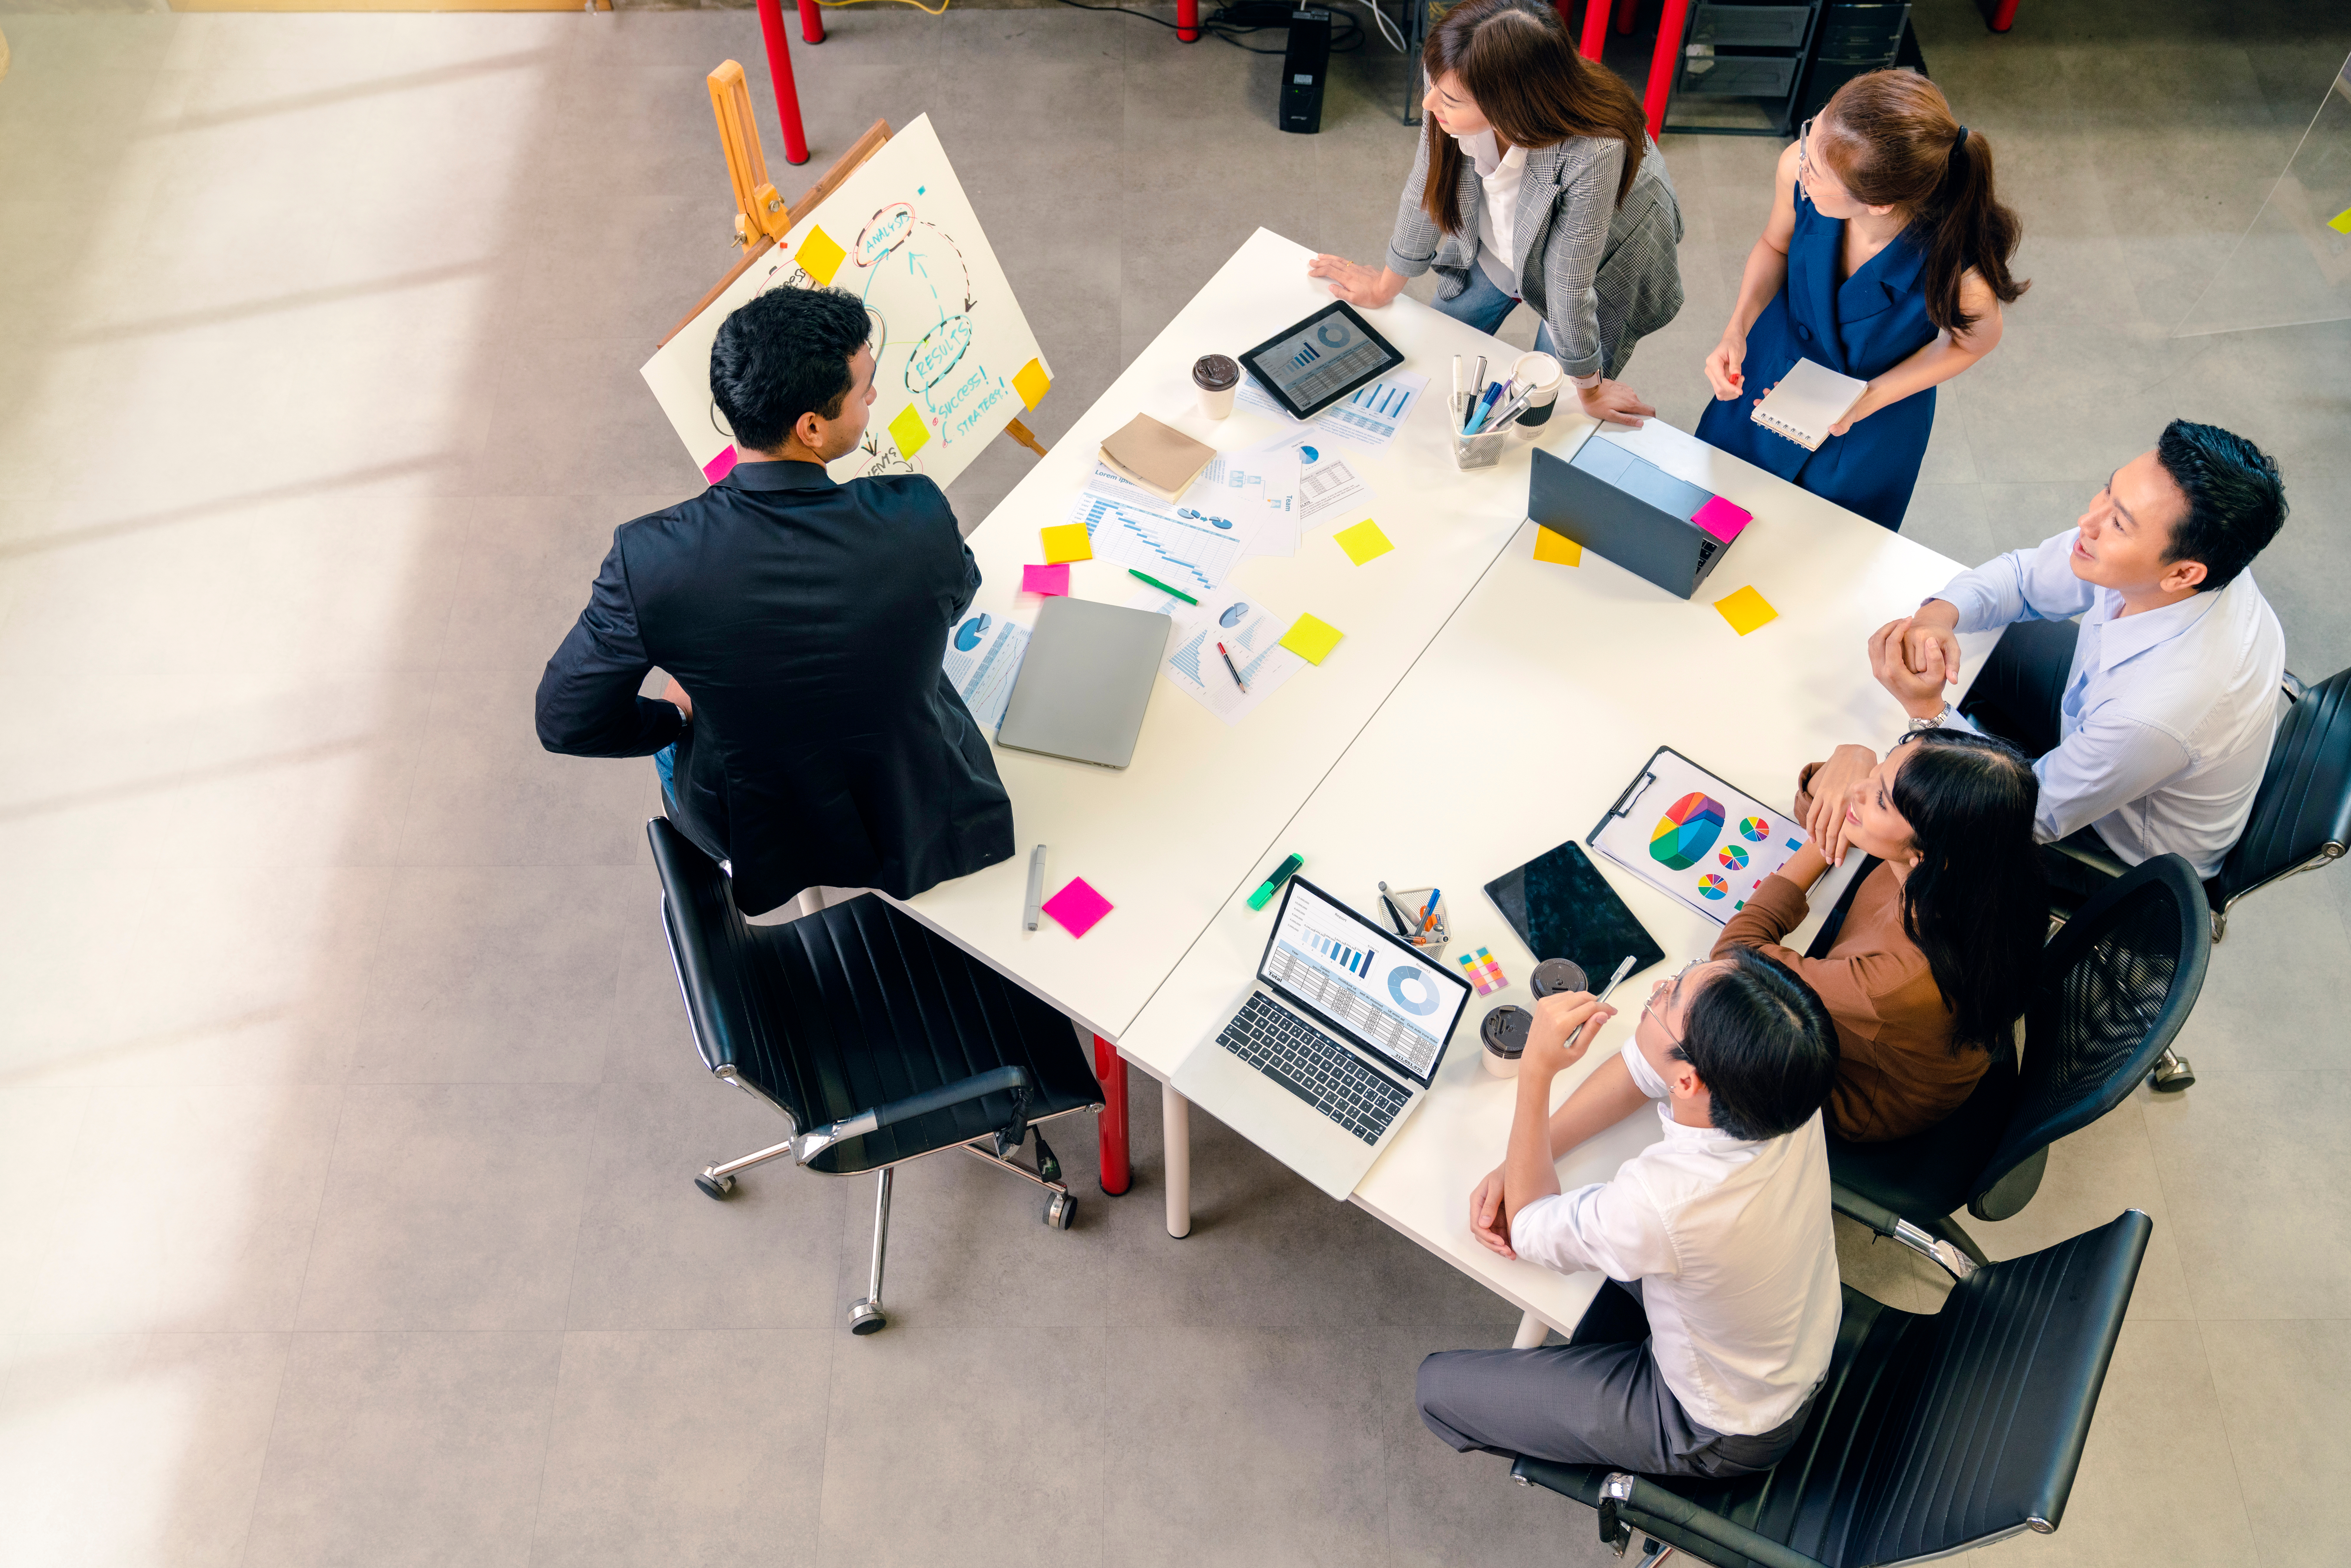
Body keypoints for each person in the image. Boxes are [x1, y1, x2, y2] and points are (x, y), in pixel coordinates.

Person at [535, 285, 1015, 916]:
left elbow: (568, 720)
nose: (873, 397)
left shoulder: (649, 559)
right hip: (913, 807)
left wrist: (674, 718)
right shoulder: (917, 514)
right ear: (811, 427)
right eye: (865, 388)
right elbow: (956, 601)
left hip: (756, 830)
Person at [1419, 950, 1842, 1477]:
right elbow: (1643, 1069)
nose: (1661, 985)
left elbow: (1527, 1226)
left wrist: (1536, 1071)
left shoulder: (1663, 1201)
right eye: (1684, 973)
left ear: (1688, 1083)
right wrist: (1521, 1160)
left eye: (1671, 996)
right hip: (1790, 1337)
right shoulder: (1780, 1078)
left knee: (1437, 1389)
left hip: (1724, 1425)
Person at [1844, 420, 2289, 884]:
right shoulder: (2193, 561)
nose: (2088, 521)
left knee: (1888, 823)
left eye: (2119, 523)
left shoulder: (2152, 715)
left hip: (2119, 840)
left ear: (2183, 574)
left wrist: (1928, 713)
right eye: (2109, 491)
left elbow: (2023, 815)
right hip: (2100, 732)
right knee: (1973, 636)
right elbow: (2025, 579)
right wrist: (1939, 615)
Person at [1305, 0, 1683, 429]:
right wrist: (1384, 287)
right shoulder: (1453, 71)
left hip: (1602, 257)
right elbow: (1427, 182)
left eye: (1449, 100)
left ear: (1508, 104)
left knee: (1547, 401)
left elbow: (1568, 282)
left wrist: (1591, 389)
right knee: (1438, 345)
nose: (1429, 103)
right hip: (1504, 229)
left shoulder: (1596, 149)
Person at [1698, 70, 2026, 530]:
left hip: (1868, 426)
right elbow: (1775, 245)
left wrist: (1866, 401)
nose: (1802, 166)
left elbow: (1974, 343)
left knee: (1818, 546)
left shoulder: (1959, 276)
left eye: (1816, 170)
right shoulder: (1798, 168)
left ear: (1878, 203)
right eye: (1810, 136)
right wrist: (1737, 329)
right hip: (1770, 370)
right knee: (1711, 515)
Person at [1714, 731, 2044, 1143]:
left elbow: (1731, 958)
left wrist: (1832, 829)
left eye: (1883, 799)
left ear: (1925, 854)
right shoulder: (1988, 859)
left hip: (1850, 1095)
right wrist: (1854, 758)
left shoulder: (1897, 980)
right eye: (1881, 768)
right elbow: (1811, 809)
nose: (1859, 788)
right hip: (1872, 1014)